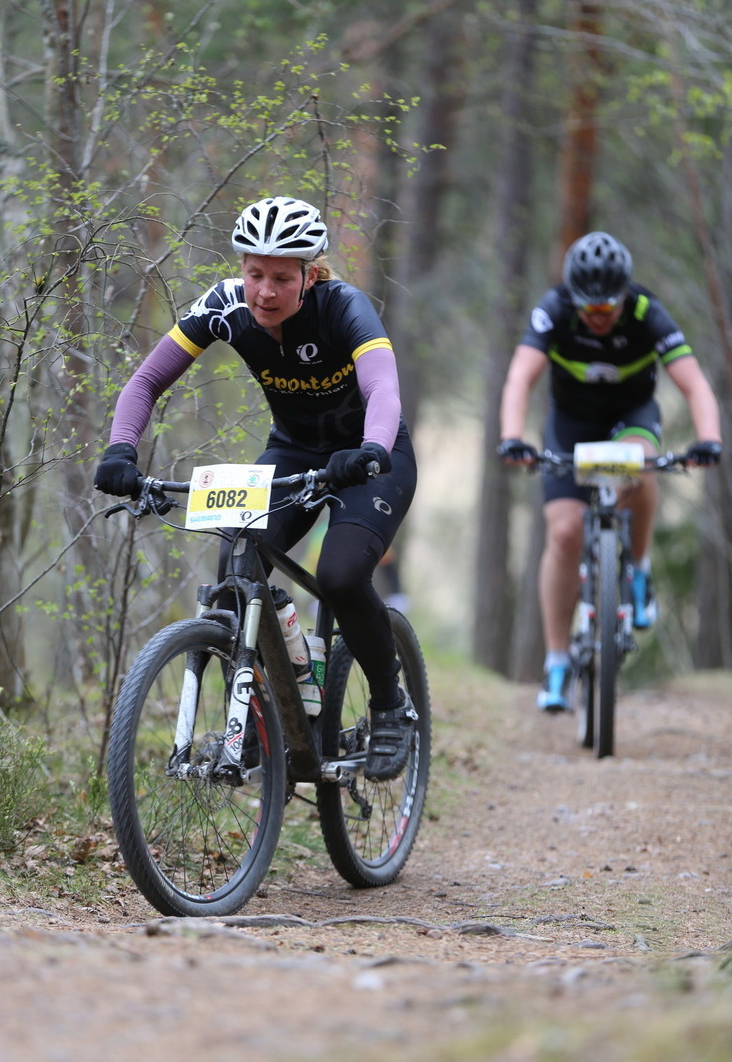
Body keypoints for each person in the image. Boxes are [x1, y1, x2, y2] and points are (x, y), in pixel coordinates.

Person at [94, 195, 418, 779]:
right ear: (241, 267)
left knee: (341, 576)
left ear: (310, 274)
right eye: (255, 273)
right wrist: (121, 448)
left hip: (372, 454)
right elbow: (146, 381)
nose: (265, 291)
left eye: (282, 277)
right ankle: (259, 719)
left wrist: (371, 448)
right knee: (237, 570)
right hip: (294, 450)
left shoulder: (344, 306)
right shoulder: (222, 306)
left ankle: (391, 706)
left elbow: (382, 388)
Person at [497, 230, 722, 712]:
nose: (598, 318)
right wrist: (514, 436)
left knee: (639, 466)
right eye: (589, 309)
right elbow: (520, 376)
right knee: (562, 534)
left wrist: (709, 439)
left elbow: (695, 383)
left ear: (624, 295)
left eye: (608, 309)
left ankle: (637, 570)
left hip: (630, 420)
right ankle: (557, 662)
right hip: (570, 425)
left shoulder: (647, 312)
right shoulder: (554, 309)